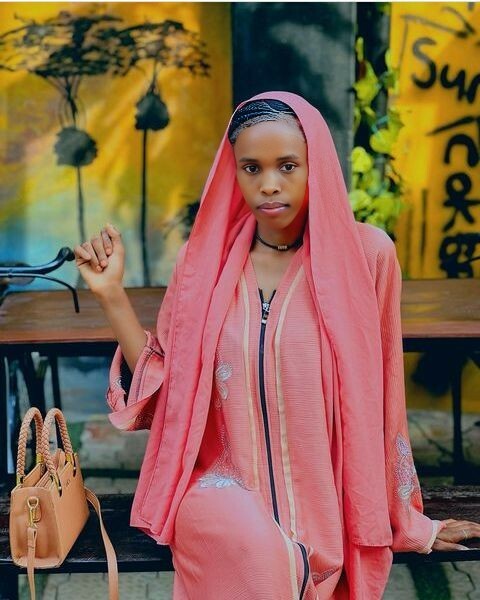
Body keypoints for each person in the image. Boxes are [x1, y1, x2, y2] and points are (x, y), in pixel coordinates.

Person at [74, 91, 480, 599]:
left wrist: (409, 522)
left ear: (317, 166)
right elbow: (170, 401)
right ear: (234, 172)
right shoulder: (202, 264)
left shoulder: (367, 257)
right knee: (264, 561)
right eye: (252, 168)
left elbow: (384, 399)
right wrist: (111, 295)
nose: (269, 184)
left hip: (322, 510)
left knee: (288, 566)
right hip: (221, 496)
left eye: (288, 165)